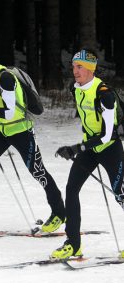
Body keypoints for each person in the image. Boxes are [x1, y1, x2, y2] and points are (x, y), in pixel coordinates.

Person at [0, 43, 65, 233]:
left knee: (38, 172)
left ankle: (59, 213)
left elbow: (10, 113)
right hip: (1, 131)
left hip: (21, 131)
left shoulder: (5, 78)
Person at [51, 49, 124, 259]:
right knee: (71, 189)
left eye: (80, 66)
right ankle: (73, 244)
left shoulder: (105, 94)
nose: (75, 71)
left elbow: (108, 135)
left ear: (91, 68)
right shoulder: (77, 89)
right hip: (90, 148)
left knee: (120, 195)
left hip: (110, 149)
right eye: (73, 66)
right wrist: (79, 147)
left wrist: (77, 148)